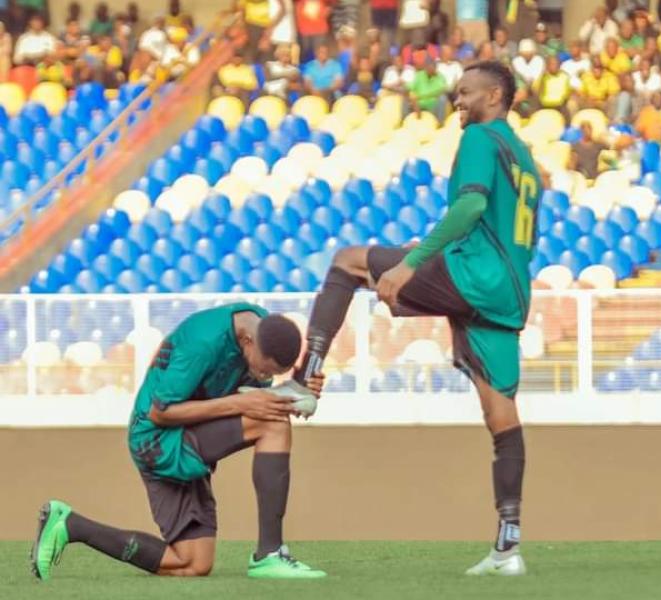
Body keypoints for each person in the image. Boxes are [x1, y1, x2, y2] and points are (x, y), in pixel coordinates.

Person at [293, 60, 540, 577]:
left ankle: (305, 380)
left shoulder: (481, 137)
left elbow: (470, 208)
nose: (458, 101)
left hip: (475, 277)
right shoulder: (523, 156)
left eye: (467, 92)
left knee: (347, 261)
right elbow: (497, 223)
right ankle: (508, 546)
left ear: (495, 96)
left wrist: (410, 264)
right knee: (502, 417)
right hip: (508, 293)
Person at [31, 305, 327, 581]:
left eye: (274, 375)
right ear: (248, 342)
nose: (265, 377)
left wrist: (298, 388)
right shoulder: (203, 342)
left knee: (192, 563)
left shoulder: (263, 333)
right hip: (157, 439)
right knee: (272, 422)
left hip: (189, 431)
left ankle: (70, 525)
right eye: (265, 370)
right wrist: (243, 403)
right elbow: (161, 412)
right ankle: (270, 554)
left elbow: (250, 394)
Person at [407, 56, 448, 121]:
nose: (432, 69)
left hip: (432, 107)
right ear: (425, 67)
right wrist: (413, 98)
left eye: (434, 67)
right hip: (418, 106)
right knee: (405, 99)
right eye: (429, 67)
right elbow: (410, 88)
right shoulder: (419, 75)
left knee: (442, 98)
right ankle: (403, 123)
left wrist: (420, 97)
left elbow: (441, 91)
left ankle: (440, 123)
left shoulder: (440, 77)